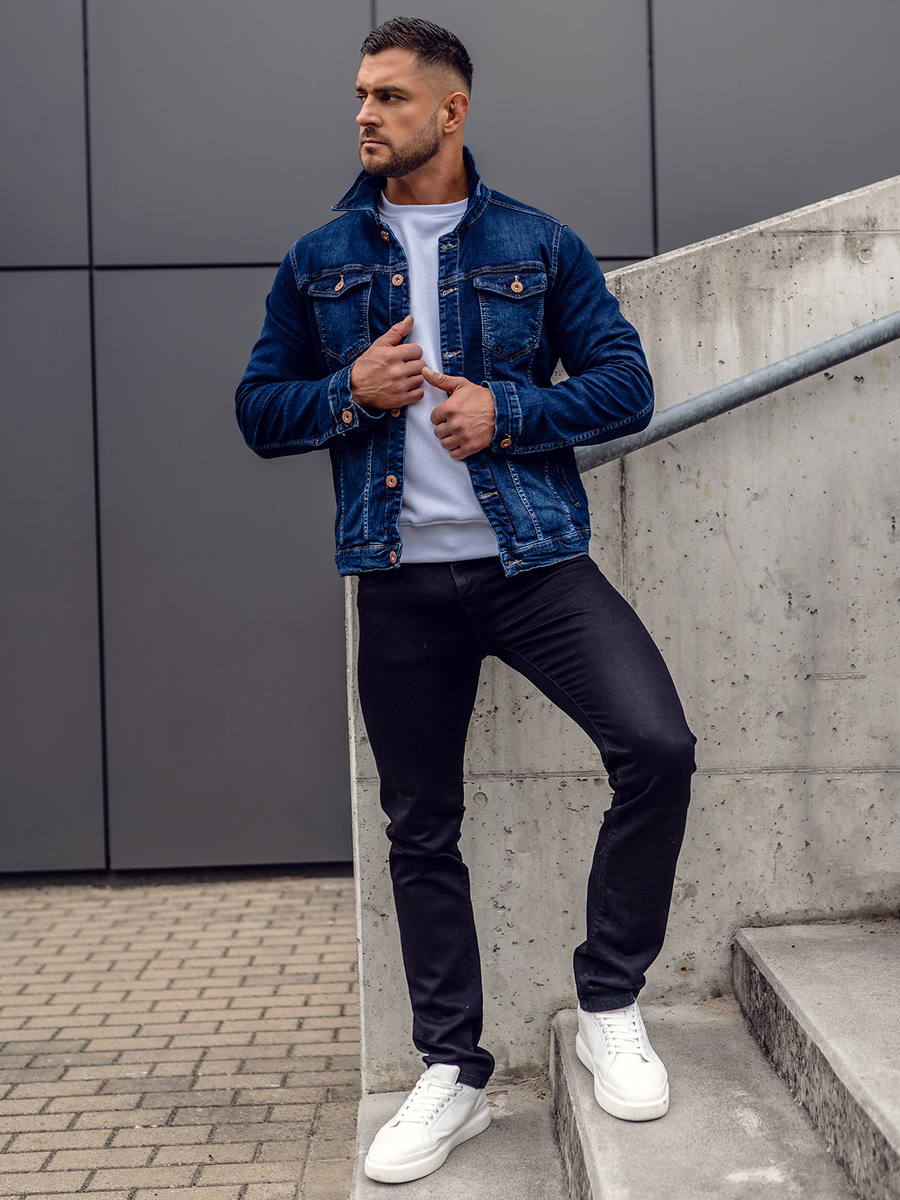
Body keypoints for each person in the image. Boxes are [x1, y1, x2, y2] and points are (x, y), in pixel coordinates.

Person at [236, 16, 696, 1186]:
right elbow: (257, 410)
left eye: (390, 96)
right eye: (360, 94)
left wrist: (511, 411)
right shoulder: (317, 258)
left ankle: (608, 1002)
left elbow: (626, 385)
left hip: (533, 566)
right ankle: (453, 1070)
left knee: (657, 745)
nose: (365, 114)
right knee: (420, 826)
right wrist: (349, 390)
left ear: (451, 111)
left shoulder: (539, 244)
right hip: (399, 583)